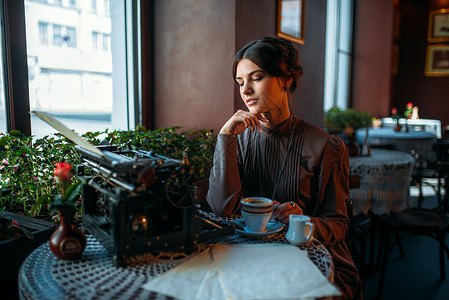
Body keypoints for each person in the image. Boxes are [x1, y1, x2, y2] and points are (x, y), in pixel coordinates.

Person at [206, 36, 362, 300]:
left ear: (286, 80)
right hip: (244, 256)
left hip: (306, 256)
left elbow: (339, 225)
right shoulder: (237, 140)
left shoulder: (325, 145)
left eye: (256, 77)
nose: (245, 90)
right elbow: (221, 210)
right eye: (240, 82)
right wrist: (225, 138)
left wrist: (303, 222)